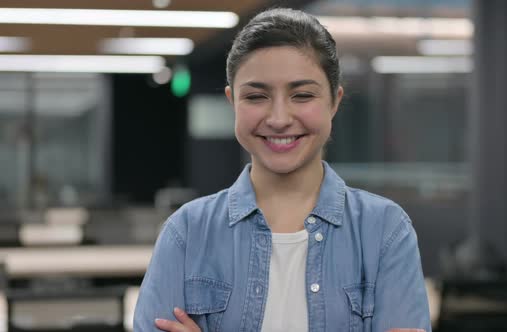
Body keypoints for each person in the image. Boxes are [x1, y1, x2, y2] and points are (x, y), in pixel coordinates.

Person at [133, 7, 431, 332]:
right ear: (233, 102)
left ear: (335, 101)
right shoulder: (187, 233)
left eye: (302, 95)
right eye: (256, 96)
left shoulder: (385, 231)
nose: (278, 118)